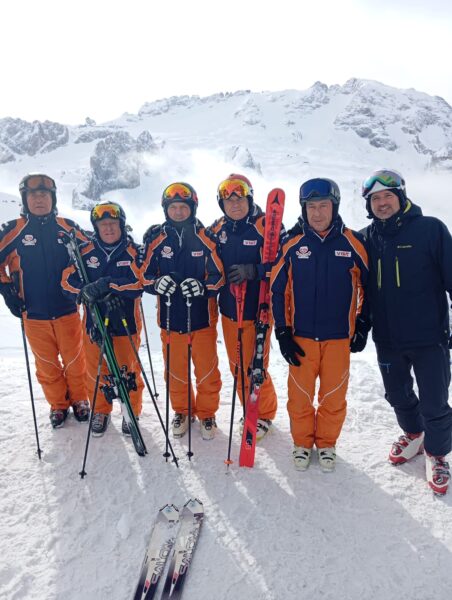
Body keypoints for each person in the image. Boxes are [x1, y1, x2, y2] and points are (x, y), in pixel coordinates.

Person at [360, 169, 452, 495]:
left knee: (435, 402)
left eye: (388, 196)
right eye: (375, 199)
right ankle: (414, 434)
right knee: (397, 395)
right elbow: (360, 289)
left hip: (430, 338)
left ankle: (437, 454)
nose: (382, 203)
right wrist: (361, 325)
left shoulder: (430, 230)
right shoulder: (366, 238)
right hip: (388, 340)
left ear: (401, 197)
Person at [271, 178, 368, 472]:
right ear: (304, 209)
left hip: (338, 338)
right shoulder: (292, 244)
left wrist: (363, 322)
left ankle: (327, 443)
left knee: (333, 397)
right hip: (300, 337)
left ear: (334, 207)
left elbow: (370, 288)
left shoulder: (352, 243)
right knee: (299, 398)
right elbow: (278, 290)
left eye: (323, 206)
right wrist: (282, 331)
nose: (316, 213)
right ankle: (301, 443)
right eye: (311, 206)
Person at [0, 173, 90, 428]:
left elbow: (92, 252)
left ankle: (80, 399)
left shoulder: (67, 227)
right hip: (33, 312)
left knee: (75, 359)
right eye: (33, 195)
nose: (39, 199)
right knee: (47, 364)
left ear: (53, 199)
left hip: (68, 309)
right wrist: (7, 291)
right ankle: (58, 405)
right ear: (25, 199)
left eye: (44, 195)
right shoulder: (13, 230)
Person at [141, 182, 224, 440]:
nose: (178, 212)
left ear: (192, 208)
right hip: (170, 318)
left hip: (202, 319)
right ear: (166, 209)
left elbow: (219, 276)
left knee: (207, 372)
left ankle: (207, 413)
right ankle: (182, 411)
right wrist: (156, 283)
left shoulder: (206, 237)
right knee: (175, 373)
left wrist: (202, 286)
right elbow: (143, 275)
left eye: (183, 207)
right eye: (173, 207)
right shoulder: (156, 238)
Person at [61, 201, 144, 436]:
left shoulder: (133, 251)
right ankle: (100, 410)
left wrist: (109, 285)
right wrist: (83, 291)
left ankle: (131, 411)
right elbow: (66, 281)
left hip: (126, 323)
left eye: (113, 223)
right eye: (103, 224)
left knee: (129, 371)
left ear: (121, 225)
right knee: (96, 371)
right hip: (94, 323)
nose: (108, 228)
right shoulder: (84, 252)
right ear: (96, 227)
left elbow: (140, 283)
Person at [208, 173, 279, 441]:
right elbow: (198, 244)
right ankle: (250, 409)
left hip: (257, 310)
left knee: (255, 366)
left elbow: (285, 262)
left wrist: (255, 270)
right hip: (229, 308)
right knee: (237, 366)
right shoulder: (218, 229)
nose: (235, 204)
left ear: (249, 199)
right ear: (222, 204)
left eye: (240, 198)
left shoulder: (267, 226)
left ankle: (264, 413)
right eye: (229, 200)